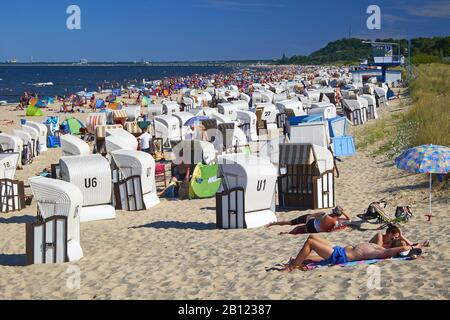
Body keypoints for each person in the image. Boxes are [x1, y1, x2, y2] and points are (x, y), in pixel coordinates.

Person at [281, 234, 423, 272]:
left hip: (340, 256)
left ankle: (292, 267)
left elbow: (403, 249)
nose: (395, 237)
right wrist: (413, 244)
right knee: (312, 237)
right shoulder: (380, 245)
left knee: (310, 243)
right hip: (340, 249)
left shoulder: (385, 251)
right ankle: (296, 260)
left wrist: (411, 248)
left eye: (396, 239)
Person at [265, 206, 351, 235]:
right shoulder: (335, 222)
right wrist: (343, 212)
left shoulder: (324, 214)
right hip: (313, 229)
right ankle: (286, 233)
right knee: (299, 228)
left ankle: (273, 224)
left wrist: (306, 223)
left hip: (310, 223)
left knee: (290, 222)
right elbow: (348, 219)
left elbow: (310, 216)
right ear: (339, 214)